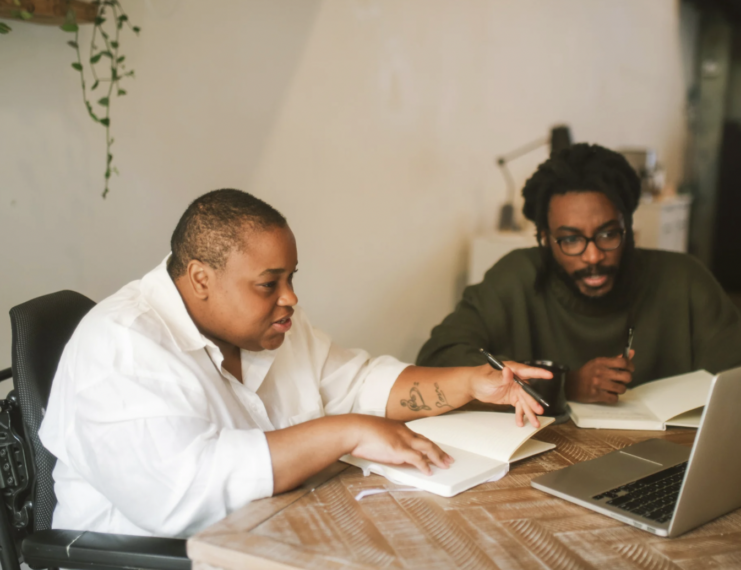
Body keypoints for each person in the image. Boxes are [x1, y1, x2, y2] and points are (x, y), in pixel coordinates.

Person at [39, 189, 550, 539]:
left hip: (277, 538)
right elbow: (184, 494)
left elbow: (360, 384)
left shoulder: (271, 325)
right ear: (200, 279)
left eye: (292, 278)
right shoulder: (123, 345)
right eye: (269, 283)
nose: (290, 298)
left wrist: (470, 382)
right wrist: (344, 432)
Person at [417, 143, 741, 403]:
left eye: (608, 234)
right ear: (544, 240)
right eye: (570, 240)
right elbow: (437, 360)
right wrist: (565, 385)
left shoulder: (686, 282)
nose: (593, 255)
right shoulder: (515, 278)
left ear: (629, 228)